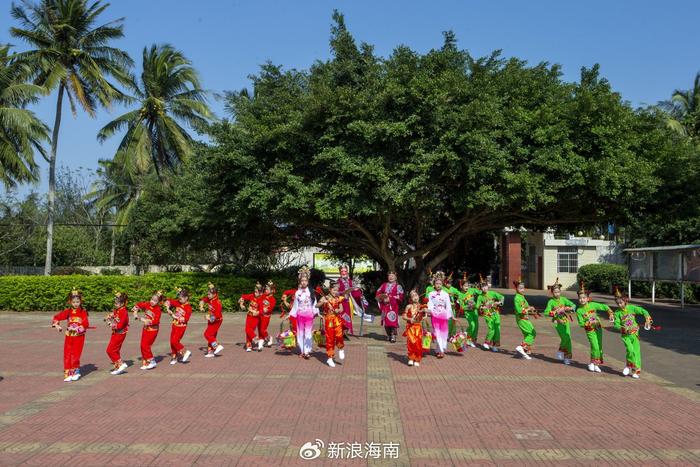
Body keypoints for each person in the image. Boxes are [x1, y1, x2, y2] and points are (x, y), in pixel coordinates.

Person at [611, 287, 653, 379]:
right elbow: (616, 325)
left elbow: (643, 311)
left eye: (621, 303)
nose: (619, 305)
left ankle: (636, 370)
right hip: (625, 335)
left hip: (635, 334)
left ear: (625, 300)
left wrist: (647, 319)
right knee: (630, 350)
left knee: (636, 352)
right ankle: (629, 365)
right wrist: (623, 329)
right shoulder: (617, 313)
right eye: (618, 303)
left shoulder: (632, 308)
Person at [52, 289, 90, 382]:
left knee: (75, 354)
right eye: (74, 302)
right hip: (69, 336)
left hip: (79, 336)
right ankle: (68, 372)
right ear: (70, 302)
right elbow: (57, 317)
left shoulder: (83, 312)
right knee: (67, 353)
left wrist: (78, 329)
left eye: (78, 302)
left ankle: (75, 371)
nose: (76, 304)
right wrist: (56, 324)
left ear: (80, 302)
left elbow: (86, 324)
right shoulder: (68, 311)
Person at [576, 282, 612, 372]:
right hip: (590, 330)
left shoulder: (593, 305)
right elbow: (581, 323)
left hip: (598, 329)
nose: (582, 300)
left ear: (588, 298)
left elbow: (604, 306)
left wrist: (610, 313)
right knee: (594, 346)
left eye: (584, 298)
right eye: (580, 298)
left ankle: (595, 364)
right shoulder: (579, 311)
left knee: (599, 347)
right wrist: (589, 323)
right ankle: (593, 362)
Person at [543, 278, 576, 365]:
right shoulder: (551, 302)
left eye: (558, 292)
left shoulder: (564, 299)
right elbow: (546, 312)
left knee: (568, 338)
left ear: (560, 291)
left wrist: (568, 308)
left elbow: (573, 305)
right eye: (555, 292)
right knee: (565, 338)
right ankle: (560, 351)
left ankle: (567, 357)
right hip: (558, 322)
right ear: (552, 293)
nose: (557, 294)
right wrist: (554, 312)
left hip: (566, 321)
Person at [289, 266, 318, 359]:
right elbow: (295, 305)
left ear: (308, 281)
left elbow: (315, 303)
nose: (304, 282)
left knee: (308, 333)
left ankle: (307, 351)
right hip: (300, 315)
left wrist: (317, 312)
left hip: (309, 315)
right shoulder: (297, 292)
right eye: (302, 281)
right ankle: (302, 350)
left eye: (305, 280)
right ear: (300, 282)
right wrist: (290, 314)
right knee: (300, 333)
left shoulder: (311, 292)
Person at [316, 281, 346, 367]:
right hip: (328, 321)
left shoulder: (338, 298)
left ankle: (340, 348)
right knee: (330, 339)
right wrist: (322, 302)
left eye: (337, 290)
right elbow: (316, 306)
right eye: (334, 290)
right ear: (330, 290)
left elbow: (341, 309)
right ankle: (330, 357)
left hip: (337, 320)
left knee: (339, 335)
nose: (336, 292)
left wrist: (338, 310)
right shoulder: (325, 298)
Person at [132, 290, 164, 370]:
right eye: (152, 299)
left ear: (159, 302)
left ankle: (152, 360)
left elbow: (156, 321)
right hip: (145, 328)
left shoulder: (158, 310)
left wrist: (146, 321)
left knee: (146, 345)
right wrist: (135, 309)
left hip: (153, 330)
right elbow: (139, 305)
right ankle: (146, 362)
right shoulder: (147, 304)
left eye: (155, 301)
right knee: (142, 345)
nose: (152, 301)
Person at [426, 271, 453, 358]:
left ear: (442, 284)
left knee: (444, 333)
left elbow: (448, 306)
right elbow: (429, 304)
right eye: (436, 283)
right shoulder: (431, 294)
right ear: (434, 284)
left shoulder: (445, 294)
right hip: (435, 315)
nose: (438, 285)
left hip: (444, 315)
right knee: (437, 333)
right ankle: (440, 351)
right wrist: (429, 312)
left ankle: (440, 349)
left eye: (440, 283)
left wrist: (450, 315)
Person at [474, 275, 505, 352]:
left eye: (486, 286)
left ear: (488, 287)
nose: (484, 288)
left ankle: (494, 345)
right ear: (480, 288)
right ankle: (486, 342)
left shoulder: (493, 293)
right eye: (483, 287)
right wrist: (483, 307)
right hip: (487, 314)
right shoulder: (480, 297)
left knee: (497, 329)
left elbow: (502, 297)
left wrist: (499, 302)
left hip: (496, 313)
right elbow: (477, 306)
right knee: (491, 328)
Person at [375, 271, 404, 343]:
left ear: (396, 277)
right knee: (386, 322)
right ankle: (388, 335)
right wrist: (382, 298)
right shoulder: (384, 285)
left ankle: (393, 335)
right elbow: (378, 292)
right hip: (385, 307)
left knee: (393, 321)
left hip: (393, 307)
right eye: (389, 276)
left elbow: (401, 296)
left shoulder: (398, 286)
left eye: (392, 276)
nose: (391, 277)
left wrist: (390, 298)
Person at [166, 288, 193, 364]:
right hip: (174, 325)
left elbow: (186, 319)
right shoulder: (178, 303)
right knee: (172, 341)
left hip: (181, 327)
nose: (179, 300)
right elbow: (169, 301)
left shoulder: (188, 308)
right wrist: (168, 307)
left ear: (186, 298)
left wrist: (174, 316)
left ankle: (185, 351)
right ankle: (174, 356)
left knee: (175, 341)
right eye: (179, 298)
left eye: (181, 299)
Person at [105, 291, 129, 375]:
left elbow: (120, 325)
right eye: (115, 303)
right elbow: (114, 314)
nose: (115, 304)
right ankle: (118, 366)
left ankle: (121, 364)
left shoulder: (124, 312)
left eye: (117, 303)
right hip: (116, 333)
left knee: (110, 350)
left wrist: (110, 324)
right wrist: (110, 316)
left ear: (122, 303)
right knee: (115, 350)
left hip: (119, 333)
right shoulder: (118, 310)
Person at [336, 264, 363, 336]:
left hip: (348, 303)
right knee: (341, 317)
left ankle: (344, 332)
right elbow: (334, 292)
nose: (343, 272)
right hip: (340, 303)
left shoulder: (351, 281)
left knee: (347, 318)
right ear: (340, 272)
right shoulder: (337, 282)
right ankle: (340, 332)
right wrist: (342, 293)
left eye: (345, 271)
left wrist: (360, 294)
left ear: (347, 272)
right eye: (342, 271)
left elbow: (355, 292)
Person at [402, 290, 427, 367]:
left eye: (416, 295)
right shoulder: (408, 306)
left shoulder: (422, 306)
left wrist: (423, 313)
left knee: (418, 344)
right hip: (410, 327)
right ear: (410, 299)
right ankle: (410, 358)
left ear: (418, 297)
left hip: (418, 327)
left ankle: (417, 359)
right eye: (413, 296)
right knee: (411, 343)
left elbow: (425, 316)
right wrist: (409, 319)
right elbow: (403, 316)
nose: (415, 297)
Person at [513, 278, 536, 360]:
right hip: (521, 319)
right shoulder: (517, 298)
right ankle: (522, 346)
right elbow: (519, 310)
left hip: (525, 318)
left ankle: (524, 350)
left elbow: (526, 306)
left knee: (527, 334)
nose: (522, 289)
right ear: (516, 288)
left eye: (523, 288)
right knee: (532, 333)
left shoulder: (522, 297)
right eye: (520, 288)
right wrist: (528, 309)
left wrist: (531, 308)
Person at [455, 273, 480, 348]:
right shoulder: (460, 295)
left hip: (474, 311)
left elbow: (480, 293)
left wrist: (483, 289)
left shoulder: (472, 290)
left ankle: (472, 340)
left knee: (476, 326)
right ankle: (468, 337)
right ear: (461, 286)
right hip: (468, 312)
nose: (467, 287)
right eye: (465, 286)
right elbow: (462, 307)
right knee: (472, 325)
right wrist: (469, 306)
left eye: (467, 285)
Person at [201, 283, 224, 357]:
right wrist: (201, 306)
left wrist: (209, 318)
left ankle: (217, 346)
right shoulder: (210, 298)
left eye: (209, 294)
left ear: (215, 294)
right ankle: (210, 352)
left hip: (217, 321)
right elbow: (203, 300)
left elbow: (217, 315)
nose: (208, 296)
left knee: (207, 334)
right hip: (211, 320)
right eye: (207, 294)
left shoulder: (217, 303)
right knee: (212, 336)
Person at [239, 282, 263, 352]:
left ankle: (256, 339)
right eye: (254, 291)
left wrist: (256, 312)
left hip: (255, 318)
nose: (255, 293)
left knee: (249, 330)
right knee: (247, 330)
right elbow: (243, 296)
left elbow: (261, 311)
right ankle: (249, 346)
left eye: (256, 292)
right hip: (249, 316)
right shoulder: (251, 296)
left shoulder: (261, 300)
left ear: (260, 293)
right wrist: (241, 304)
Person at [259, 281, 277, 348]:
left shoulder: (273, 299)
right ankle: (263, 341)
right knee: (260, 329)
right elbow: (259, 300)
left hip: (266, 317)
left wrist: (266, 310)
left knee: (262, 330)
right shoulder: (263, 295)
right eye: (265, 289)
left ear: (272, 291)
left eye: (267, 289)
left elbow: (270, 308)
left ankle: (269, 338)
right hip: (260, 315)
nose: (265, 290)